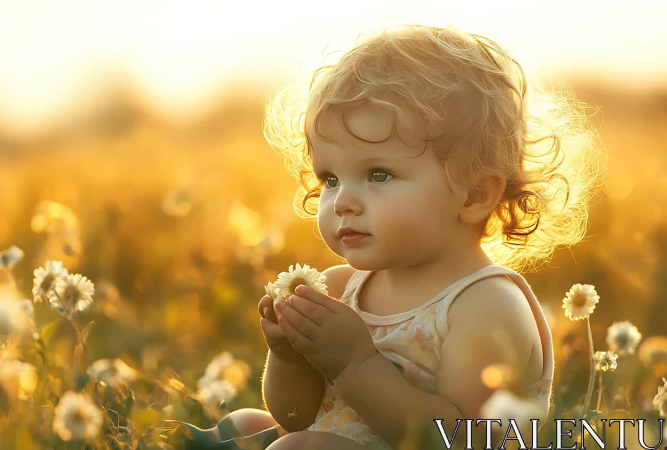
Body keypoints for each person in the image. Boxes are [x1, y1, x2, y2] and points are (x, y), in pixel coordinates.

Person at [169, 24, 605, 449]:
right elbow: (298, 417)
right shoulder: (341, 288)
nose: (342, 201)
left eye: (378, 174)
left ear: (473, 194)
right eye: (331, 179)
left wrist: (355, 364)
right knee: (248, 422)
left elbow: (460, 439)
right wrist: (290, 356)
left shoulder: (486, 306)